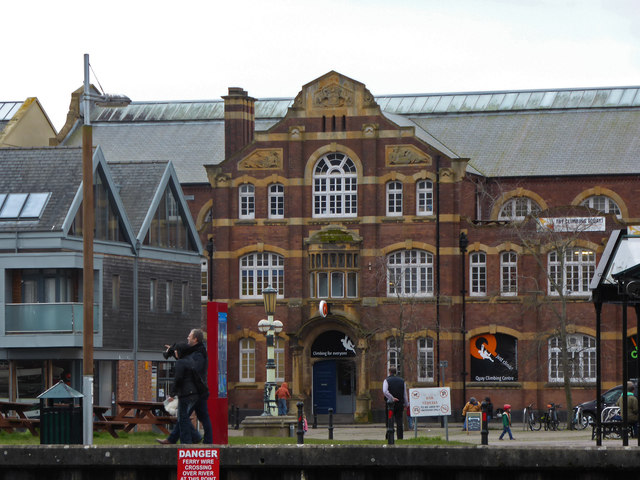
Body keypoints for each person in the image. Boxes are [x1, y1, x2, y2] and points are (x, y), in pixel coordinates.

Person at [157, 329, 213, 444]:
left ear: (195, 339)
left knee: (186, 417)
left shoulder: (200, 353)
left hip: (196, 390)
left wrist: (180, 358)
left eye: (189, 336)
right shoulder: (195, 351)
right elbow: (187, 363)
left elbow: (191, 367)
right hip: (195, 390)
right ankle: (178, 439)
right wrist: (175, 353)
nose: (187, 338)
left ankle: (195, 440)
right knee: (190, 417)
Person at [382, 367, 408, 440]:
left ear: (389, 372)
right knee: (399, 420)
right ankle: (400, 437)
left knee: (390, 419)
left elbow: (385, 391)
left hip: (390, 405)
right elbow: (405, 394)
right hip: (400, 404)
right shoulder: (402, 381)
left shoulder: (386, 380)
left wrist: (392, 398)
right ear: (396, 372)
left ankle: (389, 436)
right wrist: (406, 404)